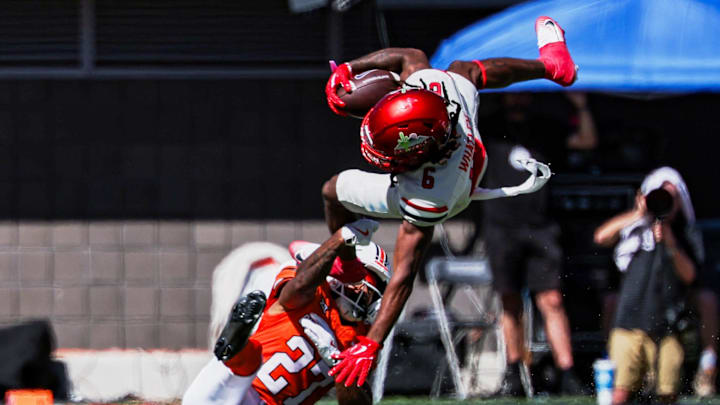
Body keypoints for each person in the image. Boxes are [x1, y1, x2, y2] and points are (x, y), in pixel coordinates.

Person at [322, 16, 577, 387]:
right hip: (458, 140)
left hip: (454, 188)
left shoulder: (429, 195)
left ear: (409, 160)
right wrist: (350, 68)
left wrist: (371, 343)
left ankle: (347, 266)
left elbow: (404, 276)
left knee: (333, 191)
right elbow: (410, 55)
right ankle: (552, 66)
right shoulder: (439, 89)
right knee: (464, 70)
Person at [183, 218, 390, 405]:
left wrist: (341, 363)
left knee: (243, 365)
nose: (369, 291)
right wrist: (340, 239)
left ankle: (236, 346)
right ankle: (236, 342)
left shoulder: (363, 341)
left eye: (378, 286)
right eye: (367, 278)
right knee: (247, 362)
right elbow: (296, 290)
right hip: (234, 387)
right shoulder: (313, 289)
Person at [478, 91, 597, 397]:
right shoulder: (487, 127)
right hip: (501, 227)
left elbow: (585, 141)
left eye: (522, 96)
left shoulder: (545, 128)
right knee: (510, 300)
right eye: (511, 96)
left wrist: (580, 106)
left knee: (552, 300)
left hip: (541, 227)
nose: (517, 101)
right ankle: (515, 372)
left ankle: (567, 372)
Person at [594, 167, 704, 404]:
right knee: (621, 392)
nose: (666, 201)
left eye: (671, 197)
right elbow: (601, 237)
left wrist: (670, 242)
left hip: (668, 328)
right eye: (660, 195)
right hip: (628, 322)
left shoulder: (685, 234)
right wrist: (638, 213)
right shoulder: (634, 229)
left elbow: (690, 276)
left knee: (667, 394)